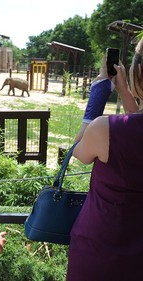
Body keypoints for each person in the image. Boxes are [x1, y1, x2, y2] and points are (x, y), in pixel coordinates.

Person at [67, 39, 143, 280]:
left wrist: (99, 92)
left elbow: (77, 150)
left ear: (138, 72)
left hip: (99, 250)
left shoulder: (107, 129)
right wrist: (124, 92)